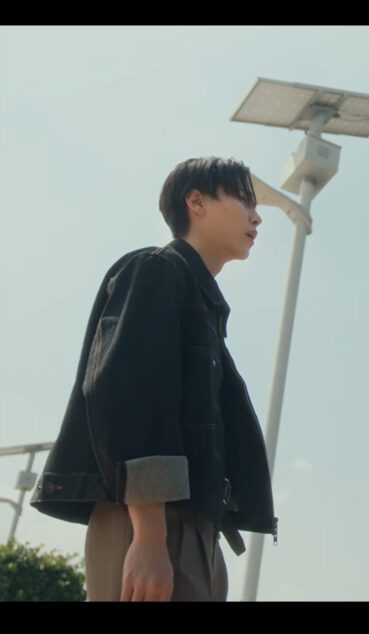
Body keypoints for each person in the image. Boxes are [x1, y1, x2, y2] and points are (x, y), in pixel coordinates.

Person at [30, 156, 278, 601]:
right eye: (244, 200)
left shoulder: (198, 299)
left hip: (192, 527)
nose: (256, 217)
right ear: (196, 202)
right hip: (153, 523)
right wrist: (148, 536)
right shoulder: (156, 270)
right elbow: (128, 397)